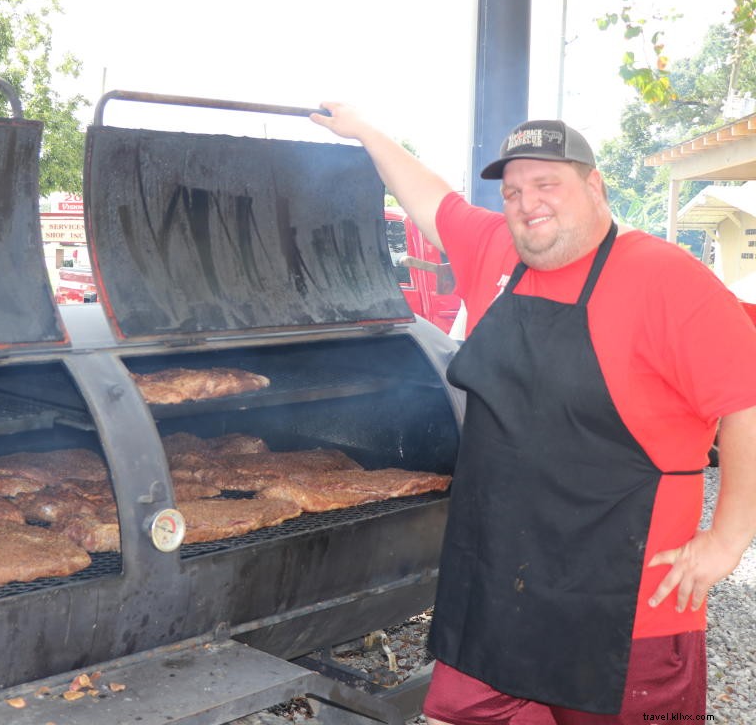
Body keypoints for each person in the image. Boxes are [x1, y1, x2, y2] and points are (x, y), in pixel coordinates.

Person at [310, 105, 756, 725]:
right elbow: (431, 200)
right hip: (498, 582)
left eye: (547, 184)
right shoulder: (496, 252)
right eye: (513, 191)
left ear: (595, 186)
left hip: (623, 601)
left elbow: (747, 407)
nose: (526, 203)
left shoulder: (667, 279)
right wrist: (366, 133)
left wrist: (728, 540)